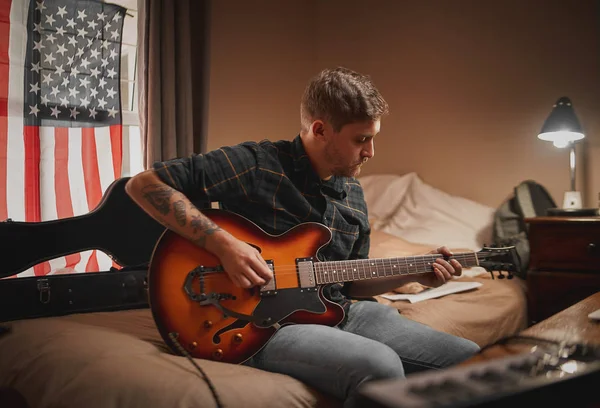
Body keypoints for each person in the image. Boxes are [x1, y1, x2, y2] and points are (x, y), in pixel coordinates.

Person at [125, 67, 480, 407]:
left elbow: (351, 281)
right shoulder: (258, 164)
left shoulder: (353, 196)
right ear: (321, 129)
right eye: (361, 139)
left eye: (372, 138)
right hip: (259, 323)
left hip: (339, 311)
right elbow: (144, 184)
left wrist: (415, 274)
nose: (370, 152)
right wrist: (224, 245)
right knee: (380, 366)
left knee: (473, 361)